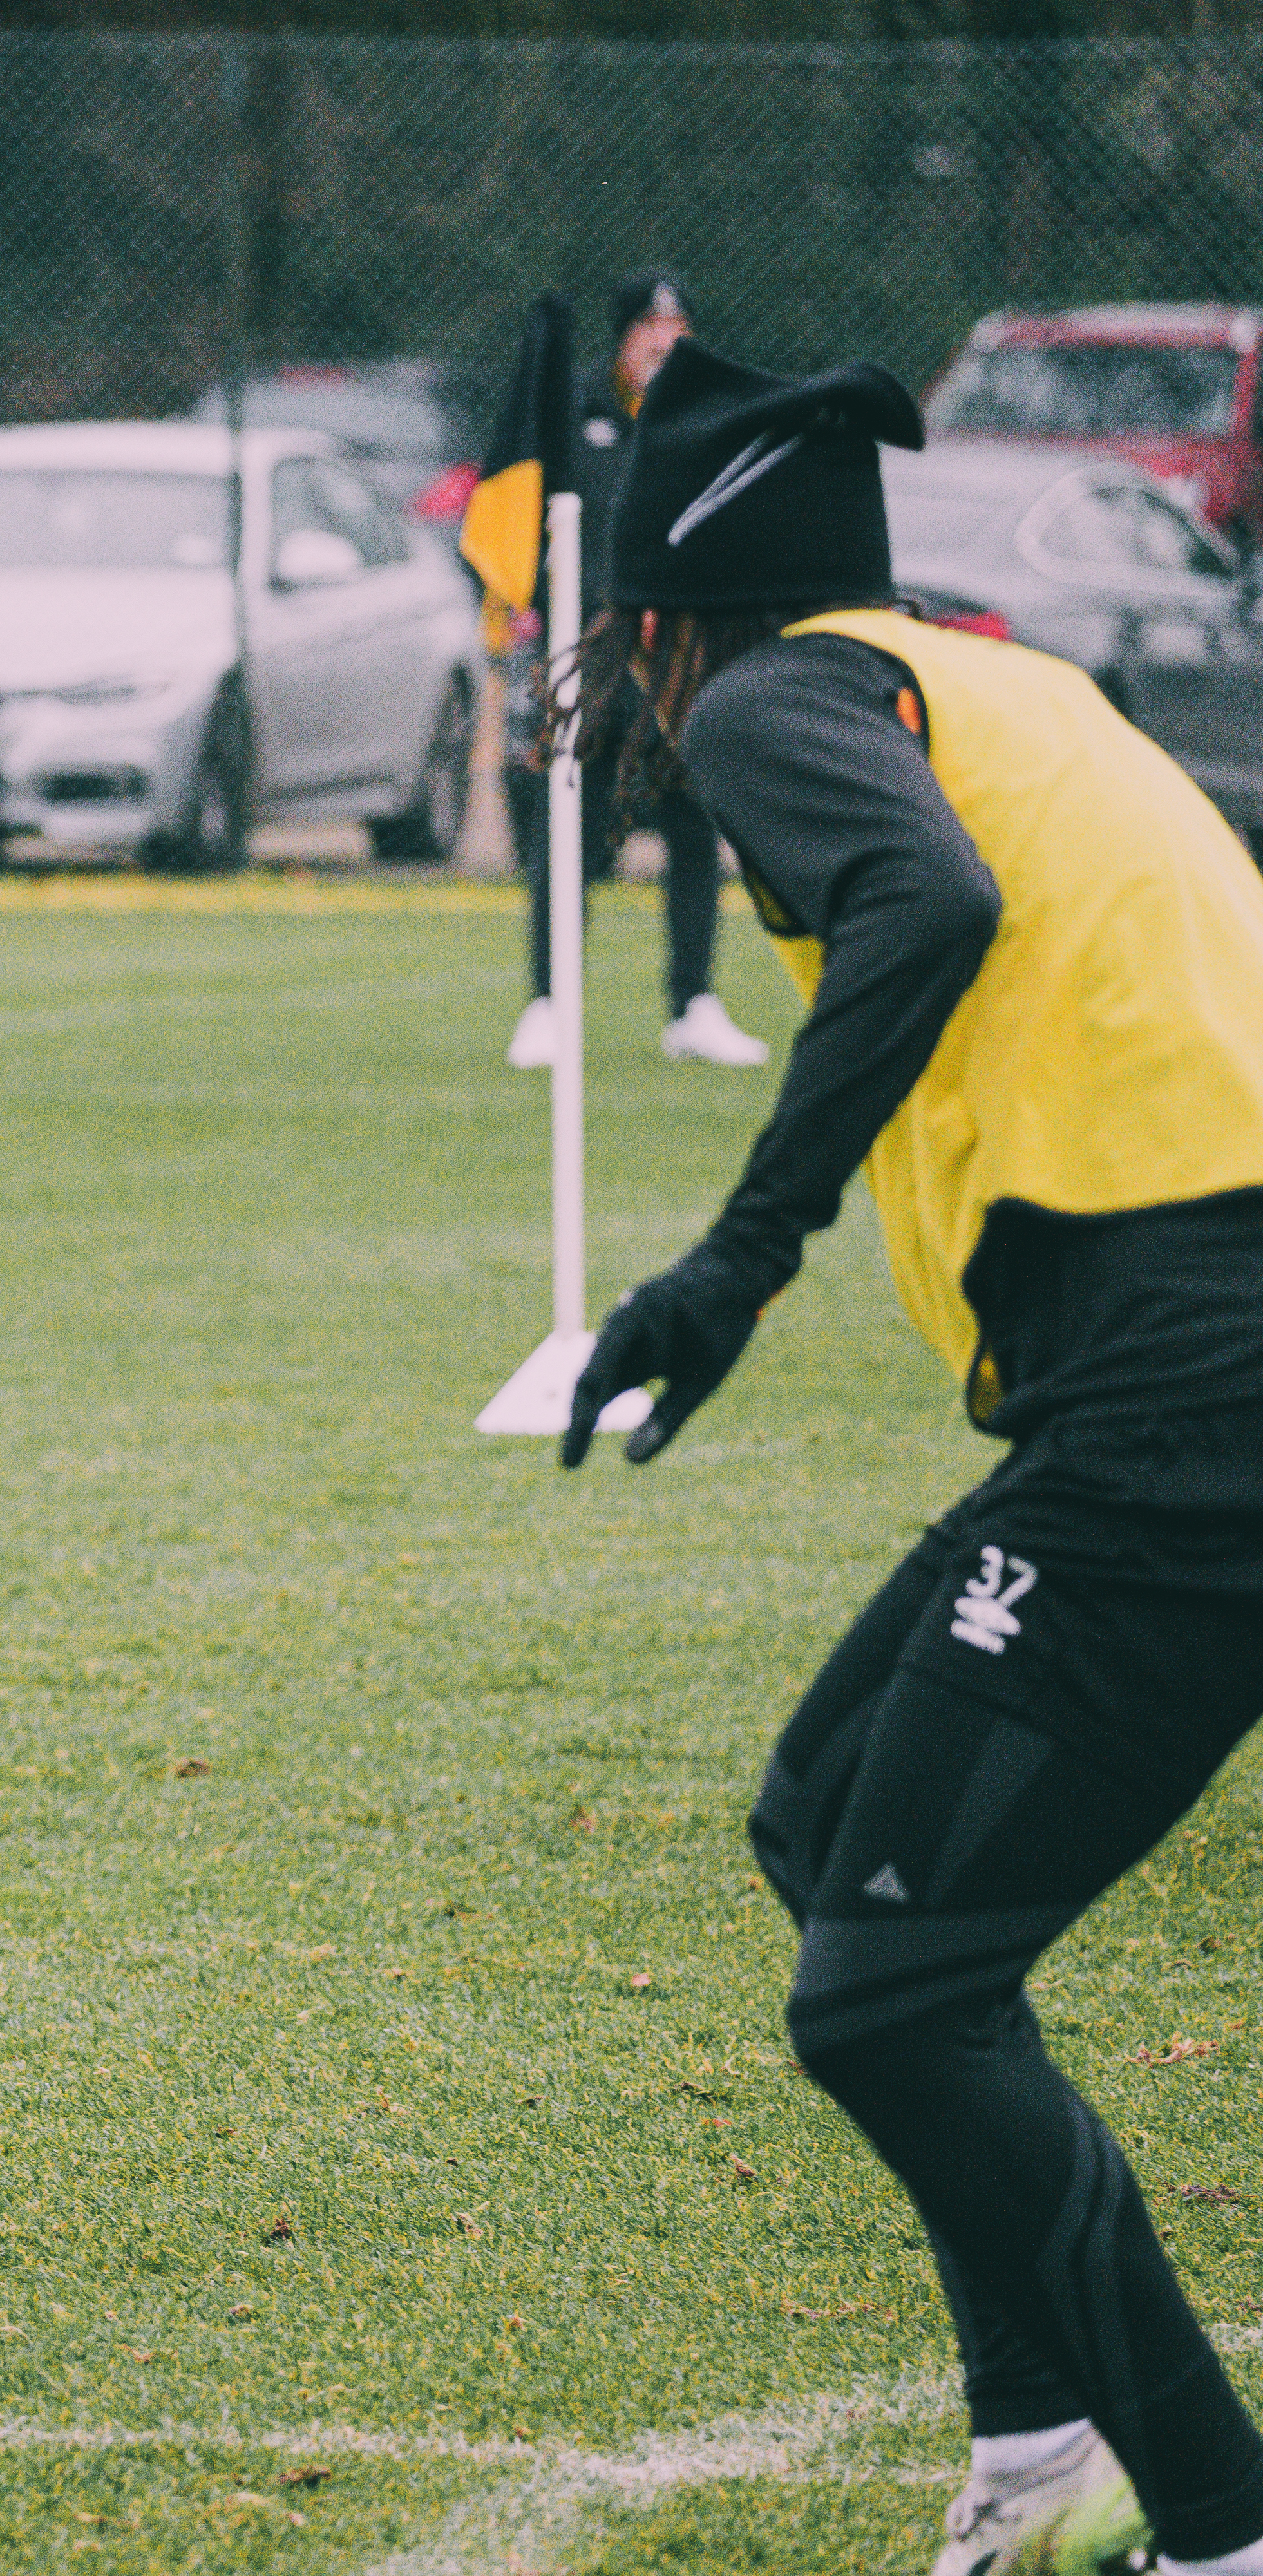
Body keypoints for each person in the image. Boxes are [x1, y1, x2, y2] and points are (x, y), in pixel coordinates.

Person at [565, 338, 1263, 2576]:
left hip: (1196, 1398)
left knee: (891, 1990)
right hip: (1174, 1378)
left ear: (677, 616)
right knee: (823, 1821)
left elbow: (931, 911)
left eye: (626, 640)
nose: (638, 695)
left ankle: (1225, 2526)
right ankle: (1039, 2439)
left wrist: (730, 1266)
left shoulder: (783, 700)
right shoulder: (993, 680)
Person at [504, 274, 770, 1074]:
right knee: (573, 830)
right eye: (651, 326)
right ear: (622, 339)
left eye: (679, 323)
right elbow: (533, 516)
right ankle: (550, 1003)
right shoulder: (575, 414)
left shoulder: (706, 420)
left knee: (694, 825)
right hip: (592, 656)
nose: (664, 339)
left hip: (682, 659)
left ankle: (693, 1004)